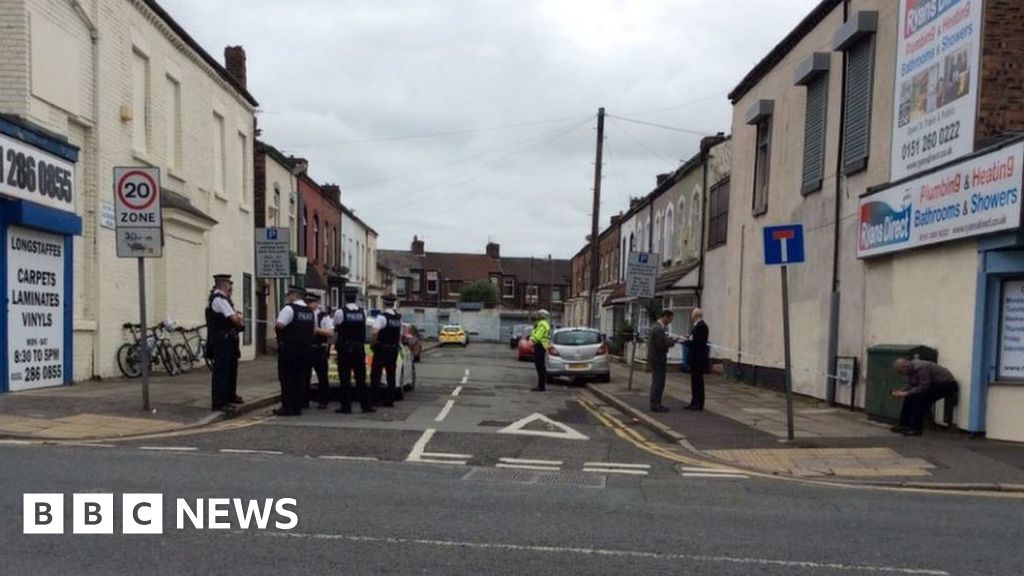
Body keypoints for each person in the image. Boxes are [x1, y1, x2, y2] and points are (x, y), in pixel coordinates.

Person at [274, 285, 315, 417]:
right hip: (305, 349)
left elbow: (280, 325)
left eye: (289, 294)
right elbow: (312, 330)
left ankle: (287, 408)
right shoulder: (309, 311)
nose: (288, 296)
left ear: (294, 295)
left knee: (287, 379)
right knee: (300, 379)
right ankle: (297, 407)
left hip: (289, 349)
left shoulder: (289, 308)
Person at [891, 358, 959, 436]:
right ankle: (904, 424)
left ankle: (915, 428)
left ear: (904, 367)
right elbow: (911, 385)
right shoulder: (911, 370)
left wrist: (906, 393)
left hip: (946, 384)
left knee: (919, 399)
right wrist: (902, 391)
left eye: (901, 372)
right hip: (933, 384)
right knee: (909, 397)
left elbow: (924, 386)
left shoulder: (921, 368)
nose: (901, 374)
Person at [206, 274, 244, 412]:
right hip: (222, 340)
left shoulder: (224, 299)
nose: (231, 287)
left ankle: (229, 396)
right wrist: (239, 317)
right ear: (223, 284)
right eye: (229, 284)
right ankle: (219, 402)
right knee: (221, 371)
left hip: (228, 339)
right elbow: (234, 319)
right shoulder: (219, 299)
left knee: (230, 369)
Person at [333, 287, 374, 414]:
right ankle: (365, 406)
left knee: (345, 378)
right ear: (355, 299)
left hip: (345, 348)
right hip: (359, 348)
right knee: (360, 378)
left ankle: (346, 407)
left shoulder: (340, 312)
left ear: (345, 299)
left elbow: (336, 326)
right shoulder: (363, 312)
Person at [371, 293, 403, 407]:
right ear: (393, 303)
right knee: (391, 375)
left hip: (381, 348)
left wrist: (373, 343)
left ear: (384, 303)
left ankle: (375, 399)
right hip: (393, 349)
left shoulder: (381, 317)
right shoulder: (398, 318)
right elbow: (400, 334)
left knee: (376, 374)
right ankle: (390, 400)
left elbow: (375, 332)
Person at [305, 292, 335, 410]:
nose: (309, 305)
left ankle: (323, 401)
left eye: (311, 302)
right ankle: (304, 400)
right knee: (304, 376)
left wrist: (316, 330)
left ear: (317, 303)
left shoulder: (324, 316)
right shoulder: (304, 314)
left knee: (322, 376)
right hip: (306, 348)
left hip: (319, 349)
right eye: (307, 302)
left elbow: (330, 332)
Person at [648, 310, 679, 412]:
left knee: (658, 381)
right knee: (658, 382)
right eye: (670, 319)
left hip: (656, 358)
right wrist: (672, 342)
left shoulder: (658, 327)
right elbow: (661, 345)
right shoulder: (658, 329)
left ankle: (656, 403)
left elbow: (661, 342)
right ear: (665, 317)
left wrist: (667, 340)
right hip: (658, 359)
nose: (670, 321)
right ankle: (656, 404)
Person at [684, 308, 710, 411]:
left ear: (695, 316)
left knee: (697, 382)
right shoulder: (698, 326)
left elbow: (697, 343)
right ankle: (694, 402)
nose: (691, 316)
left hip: (698, 358)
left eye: (692, 314)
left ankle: (698, 404)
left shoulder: (701, 326)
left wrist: (686, 342)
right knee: (694, 381)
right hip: (696, 358)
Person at [529, 309, 552, 392]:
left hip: (540, 345)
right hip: (543, 346)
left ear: (542, 316)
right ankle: (541, 386)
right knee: (541, 367)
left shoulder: (542, 324)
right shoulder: (545, 323)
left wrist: (532, 340)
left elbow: (538, 335)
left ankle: (541, 386)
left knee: (540, 367)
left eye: (539, 314)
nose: (537, 316)